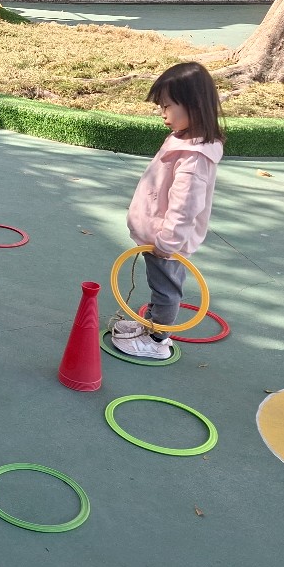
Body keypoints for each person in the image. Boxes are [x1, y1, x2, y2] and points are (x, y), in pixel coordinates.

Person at [111, 61, 225, 360]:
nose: (162, 114)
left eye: (167, 106)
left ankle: (157, 340)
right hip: (157, 236)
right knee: (159, 285)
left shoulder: (194, 158)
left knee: (166, 291)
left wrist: (168, 242)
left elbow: (185, 206)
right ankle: (151, 326)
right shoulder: (183, 140)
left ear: (193, 105)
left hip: (166, 242)